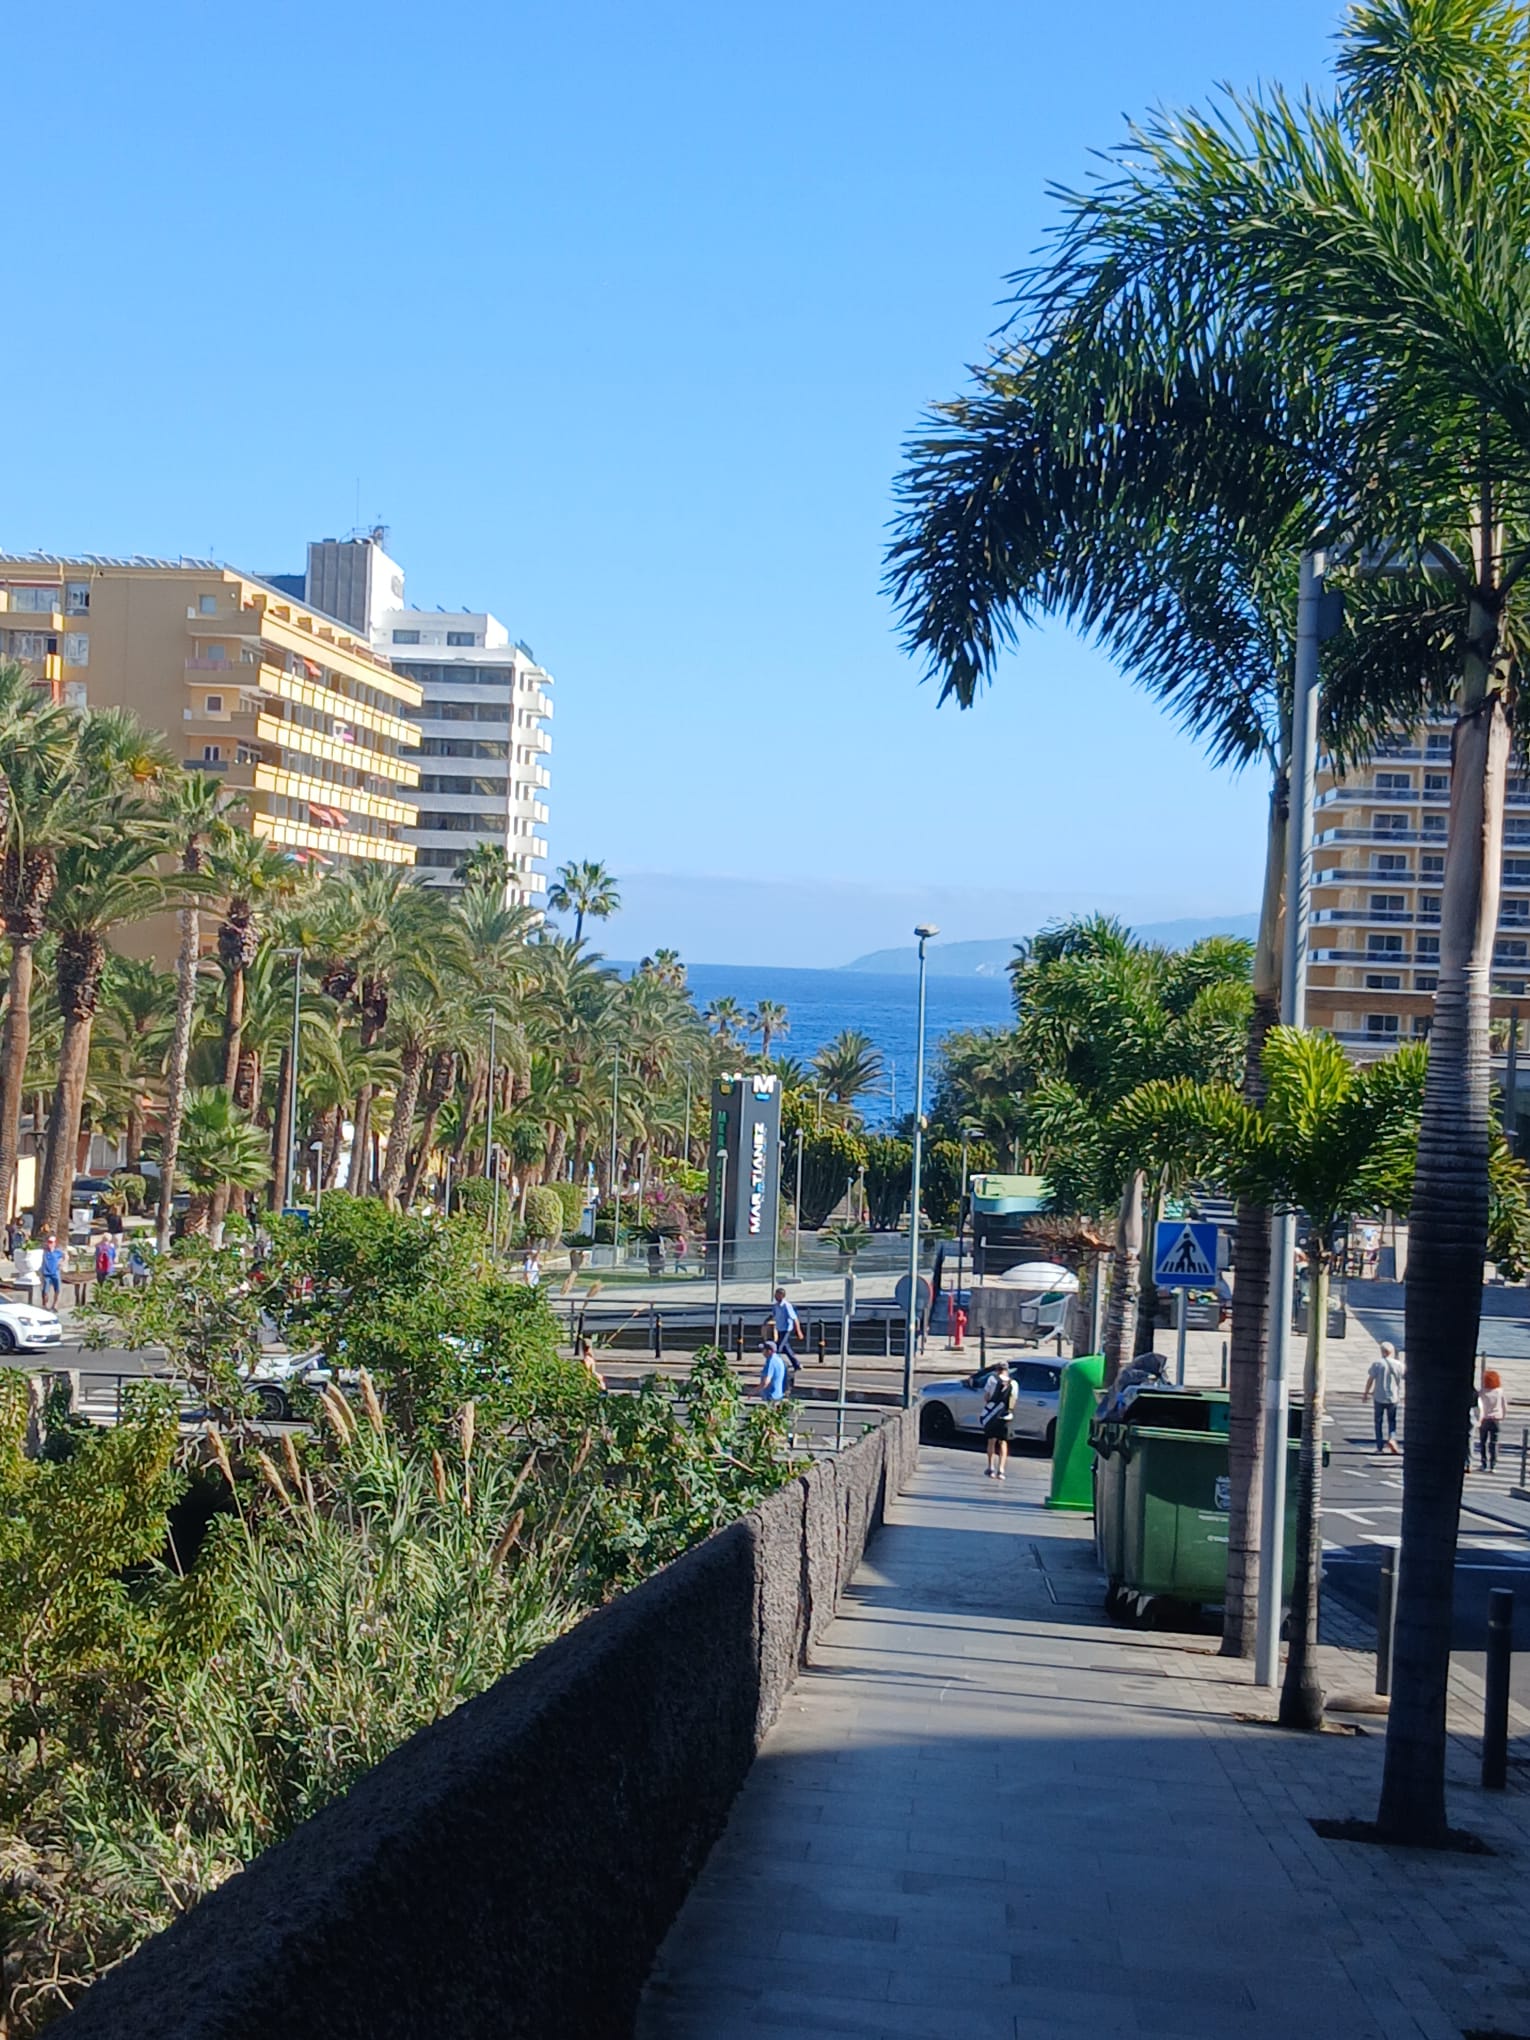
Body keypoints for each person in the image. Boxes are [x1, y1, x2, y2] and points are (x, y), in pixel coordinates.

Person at [1363, 1340, 1404, 1455]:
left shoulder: (1377, 1364)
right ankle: (1392, 1438)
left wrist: (1366, 1393)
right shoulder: (1399, 1365)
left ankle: (1379, 1447)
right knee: (1392, 1421)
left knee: (1378, 1422)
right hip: (1393, 1397)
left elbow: (1370, 1379)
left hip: (1379, 1396)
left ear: (1383, 1352)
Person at [981, 1361, 1018, 1480]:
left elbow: (986, 1397)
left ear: (997, 1370)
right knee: (1003, 1442)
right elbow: (1013, 1400)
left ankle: (990, 1467)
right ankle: (1001, 1470)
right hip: (1005, 1415)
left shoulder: (992, 1380)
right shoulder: (1014, 1383)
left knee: (991, 1440)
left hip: (992, 1415)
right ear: (1007, 1370)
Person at [1479, 1369, 1508, 1474]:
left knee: (1483, 1442)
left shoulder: (1482, 1392)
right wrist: (1503, 1416)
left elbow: (1479, 1406)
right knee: (1494, 1442)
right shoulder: (1500, 1392)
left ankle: (1483, 1463)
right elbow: (1504, 1406)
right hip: (1496, 1419)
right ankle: (1493, 1465)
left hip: (1484, 1419)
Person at [771, 1287, 801, 1366]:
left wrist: (798, 1331)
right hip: (779, 1328)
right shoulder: (775, 1306)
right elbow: (774, 1316)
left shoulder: (787, 1306)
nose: (775, 1296)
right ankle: (796, 1364)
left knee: (778, 1348)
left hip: (786, 1329)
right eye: (775, 1294)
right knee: (786, 1348)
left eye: (777, 1295)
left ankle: (777, 1365)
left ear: (782, 1296)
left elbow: (794, 1318)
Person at [39, 1232, 63, 1312]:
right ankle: (45, 1305)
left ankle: (55, 1305)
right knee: (45, 1291)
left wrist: (61, 1263)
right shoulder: (44, 1251)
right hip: (46, 1274)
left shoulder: (58, 1252)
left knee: (57, 1290)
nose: (50, 1244)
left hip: (55, 1273)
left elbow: (65, 1256)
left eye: (52, 1242)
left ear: (55, 1243)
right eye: (49, 1242)